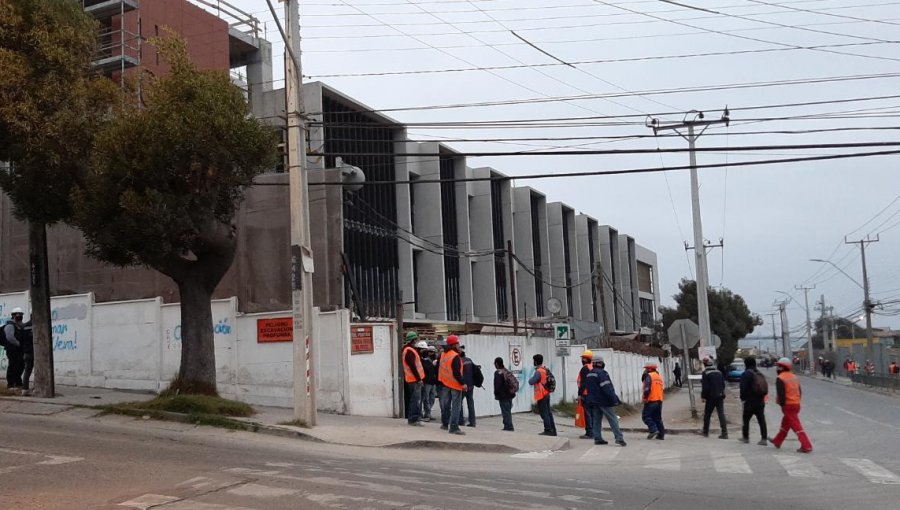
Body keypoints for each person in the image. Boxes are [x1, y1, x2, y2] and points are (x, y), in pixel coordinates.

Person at [770, 357, 813, 453]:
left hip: (787, 405)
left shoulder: (780, 378)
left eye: (778, 366)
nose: (777, 368)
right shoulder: (794, 376)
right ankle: (777, 441)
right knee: (785, 424)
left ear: (782, 367)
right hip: (796, 404)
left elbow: (781, 394)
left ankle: (806, 446)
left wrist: (782, 405)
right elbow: (800, 391)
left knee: (796, 426)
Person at [584, 353, 626, 446]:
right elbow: (607, 388)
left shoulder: (589, 374)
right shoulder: (602, 373)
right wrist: (614, 399)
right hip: (604, 400)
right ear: (599, 363)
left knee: (596, 420)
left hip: (594, 401)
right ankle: (619, 438)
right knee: (613, 419)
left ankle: (597, 438)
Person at [438, 335, 467, 435]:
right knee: (456, 406)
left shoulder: (443, 354)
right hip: (455, 384)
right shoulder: (454, 356)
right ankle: (454, 427)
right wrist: (463, 383)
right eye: (457, 343)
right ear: (453, 345)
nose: (459, 345)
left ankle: (445, 424)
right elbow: (457, 373)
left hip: (445, 383)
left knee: (445, 405)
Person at [739, 356, 768, 445]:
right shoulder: (760, 373)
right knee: (761, 419)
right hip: (760, 400)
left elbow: (743, 388)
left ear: (746, 364)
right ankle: (764, 439)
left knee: (746, 419)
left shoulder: (746, 374)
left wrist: (743, 399)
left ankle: (746, 437)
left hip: (750, 401)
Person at [529, 354, 556, 436]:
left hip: (541, 394)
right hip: (547, 393)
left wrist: (531, 378)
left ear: (536, 361)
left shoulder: (538, 371)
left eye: (533, 360)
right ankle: (553, 430)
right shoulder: (545, 369)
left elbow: (531, 381)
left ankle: (548, 430)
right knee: (548, 412)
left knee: (544, 413)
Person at [700, 357, 728, 439]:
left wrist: (703, 396)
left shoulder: (705, 373)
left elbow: (705, 387)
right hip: (720, 396)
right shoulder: (719, 372)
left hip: (711, 397)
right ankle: (724, 433)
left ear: (705, 365)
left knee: (707, 414)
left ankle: (705, 432)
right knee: (721, 414)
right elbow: (723, 384)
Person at [402, 332, 425, 426]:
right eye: (415, 339)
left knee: (414, 400)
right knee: (416, 400)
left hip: (412, 379)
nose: (417, 341)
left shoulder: (408, 350)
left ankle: (413, 418)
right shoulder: (409, 351)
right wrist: (419, 379)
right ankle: (413, 419)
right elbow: (413, 367)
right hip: (414, 380)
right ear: (412, 340)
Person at [2, 307, 27, 390]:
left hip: (19, 350)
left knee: (21, 365)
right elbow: (10, 337)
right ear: (13, 315)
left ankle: (18, 382)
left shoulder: (20, 325)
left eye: (21, 314)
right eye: (18, 314)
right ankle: (10, 384)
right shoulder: (10, 325)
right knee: (13, 365)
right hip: (12, 349)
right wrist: (18, 343)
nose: (20, 316)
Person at [641, 361, 665, 440]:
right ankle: (661, 435)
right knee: (657, 418)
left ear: (649, 369)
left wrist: (645, 398)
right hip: (659, 400)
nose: (645, 370)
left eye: (646, 369)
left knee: (646, 417)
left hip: (651, 400)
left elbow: (647, 389)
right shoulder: (658, 376)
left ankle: (653, 430)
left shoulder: (649, 376)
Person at [493, 357, 516, 431]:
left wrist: (496, 393)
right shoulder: (506, 371)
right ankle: (508, 425)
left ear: (496, 364)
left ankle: (508, 426)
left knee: (505, 411)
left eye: (494, 363)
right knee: (508, 410)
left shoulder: (498, 373)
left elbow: (497, 385)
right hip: (510, 394)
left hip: (503, 395)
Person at [456, 345, 477, 427]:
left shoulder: (459, 361)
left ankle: (460, 421)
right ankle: (472, 422)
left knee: (459, 403)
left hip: (463, 385)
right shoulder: (469, 360)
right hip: (471, 385)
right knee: (470, 403)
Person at [576, 349, 594, 439]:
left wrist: (580, 394)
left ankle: (589, 433)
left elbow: (583, 383)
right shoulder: (593, 367)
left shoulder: (585, 368)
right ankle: (594, 431)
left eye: (583, 358)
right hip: (593, 394)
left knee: (587, 414)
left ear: (586, 359)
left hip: (586, 394)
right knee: (593, 413)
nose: (582, 360)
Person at [421, 345, 438, 421]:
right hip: (427, 382)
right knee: (426, 399)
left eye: (433, 352)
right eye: (430, 352)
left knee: (432, 398)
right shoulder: (425, 360)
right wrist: (432, 365)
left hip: (433, 382)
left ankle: (428, 413)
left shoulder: (435, 361)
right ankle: (427, 414)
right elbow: (426, 370)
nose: (432, 353)